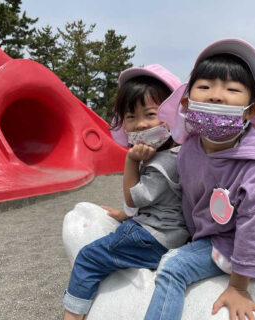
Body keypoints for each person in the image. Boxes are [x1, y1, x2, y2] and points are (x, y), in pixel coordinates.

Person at [145, 39, 255, 320]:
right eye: (204, 87)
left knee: (172, 268)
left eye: (232, 90)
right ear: (187, 102)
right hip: (200, 234)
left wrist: (239, 287)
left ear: (250, 111)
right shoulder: (191, 147)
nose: (216, 96)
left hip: (231, 244)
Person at [62, 64, 190, 320]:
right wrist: (125, 215)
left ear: (172, 116)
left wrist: (131, 161)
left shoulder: (161, 163)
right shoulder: (178, 154)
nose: (141, 125)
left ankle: (73, 315)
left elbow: (132, 197)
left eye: (151, 114)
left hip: (154, 238)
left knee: (88, 257)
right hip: (173, 232)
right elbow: (161, 202)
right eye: (131, 117)